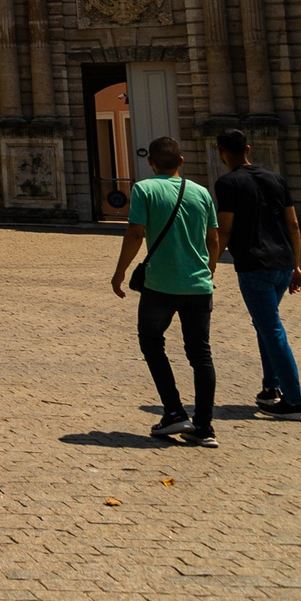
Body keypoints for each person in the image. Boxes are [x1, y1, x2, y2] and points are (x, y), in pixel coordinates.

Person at [110, 135, 222, 446]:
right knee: (200, 353)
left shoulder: (145, 188)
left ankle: (173, 410)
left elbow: (135, 233)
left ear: (151, 162)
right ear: (182, 162)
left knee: (151, 341)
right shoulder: (201, 192)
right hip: (199, 284)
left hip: (159, 284)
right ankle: (204, 427)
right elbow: (213, 239)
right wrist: (209, 269)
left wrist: (120, 271)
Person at [213, 128, 301, 421]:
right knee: (265, 325)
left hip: (255, 266)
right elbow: (293, 225)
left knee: (271, 329)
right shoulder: (275, 178)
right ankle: (271, 388)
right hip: (282, 264)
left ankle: (295, 401)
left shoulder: (227, 183)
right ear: (248, 148)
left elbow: (225, 229)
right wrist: (296, 265)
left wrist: (211, 263)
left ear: (221, 152)